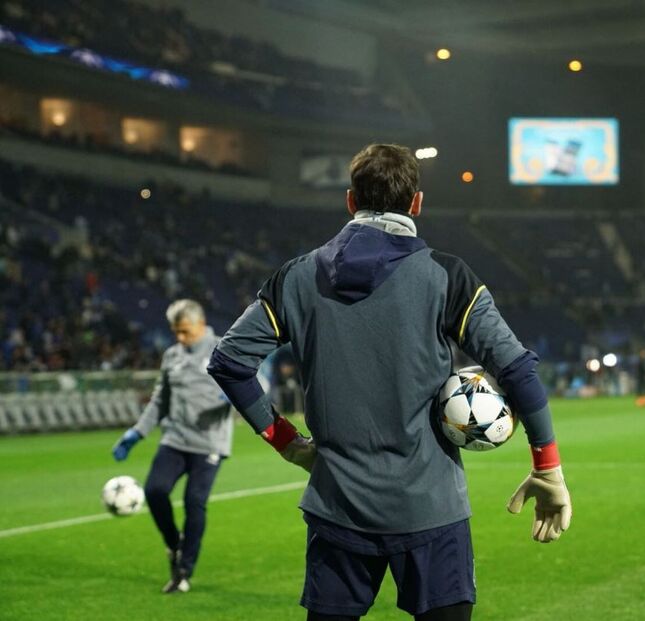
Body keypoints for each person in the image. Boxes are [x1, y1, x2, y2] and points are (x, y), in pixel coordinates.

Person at [207, 144, 572, 621]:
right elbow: (517, 370)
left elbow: (229, 360)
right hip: (431, 509)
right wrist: (547, 468)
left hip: (336, 507)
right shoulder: (448, 277)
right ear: (416, 203)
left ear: (350, 200)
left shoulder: (295, 278)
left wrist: (289, 443)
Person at [111, 299, 232, 594]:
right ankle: (173, 544)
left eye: (185, 332)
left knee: (194, 502)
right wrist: (137, 433)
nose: (180, 338)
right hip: (175, 439)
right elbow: (160, 400)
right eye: (175, 332)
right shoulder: (172, 356)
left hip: (209, 443)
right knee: (154, 490)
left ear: (201, 325)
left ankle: (184, 569)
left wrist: (235, 397)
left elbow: (259, 381)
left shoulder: (224, 348)